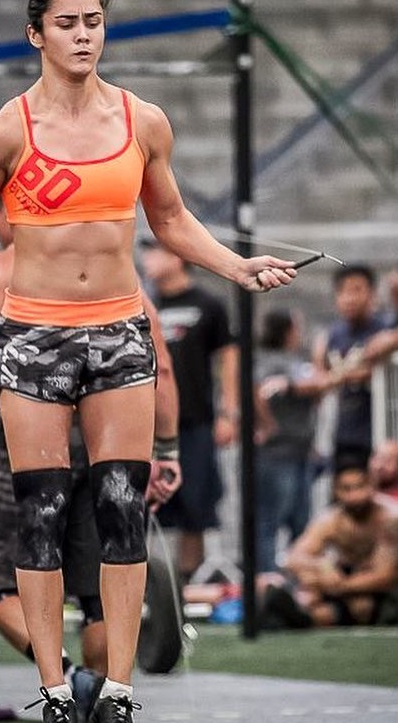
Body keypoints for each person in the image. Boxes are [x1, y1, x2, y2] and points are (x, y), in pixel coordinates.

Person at [0, 0, 296, 722]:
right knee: (39, 511)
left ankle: (116, 691)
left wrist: (237, 266)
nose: (84, 34)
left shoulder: (143, 122)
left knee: (119, 506)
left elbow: (170, 221)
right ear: (37, 34)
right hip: (35, 332)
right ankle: (51, 689)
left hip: (117, 330)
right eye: (69, 22)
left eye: (95, 21)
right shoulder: (5, 130)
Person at [0, 199, 183, 723]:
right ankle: (107, 696)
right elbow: (161, 364)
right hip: (106, 435)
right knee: (97, 585)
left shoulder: (4, 268)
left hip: (35, 433)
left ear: (14, 212)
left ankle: (65, 681)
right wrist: (167, 450)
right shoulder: (114, 269)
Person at [139, 238, 240, 586]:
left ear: (177, 257)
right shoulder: (142, 304)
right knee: (148, 505)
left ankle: (188, 583)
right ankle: (153, 583)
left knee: (196, 505)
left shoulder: (208, 305)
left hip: (196, 422)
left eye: (155, 252)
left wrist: (229, 413)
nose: (148, 260)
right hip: (147, 426)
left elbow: (228, 359)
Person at [257, 458, 398, 629]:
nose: (354, 496)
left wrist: (335, 586)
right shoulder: (331, 520)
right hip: (351, 586)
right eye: (346, 489)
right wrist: (323, 567)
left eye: (360, 486)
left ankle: (296, 617)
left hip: (395, 595)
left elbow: (384, 578)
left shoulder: (391, 518)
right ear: (336, 490)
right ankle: (292, 615)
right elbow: (293, 558)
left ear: (372, 484)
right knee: (312, 582)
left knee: (361, 603)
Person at [252, 307, 329, 574]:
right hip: (276, 454)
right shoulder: (268, 361)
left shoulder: (295, 360)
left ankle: (298, 577)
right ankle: (267, 578)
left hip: (301, 451)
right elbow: (257, 390)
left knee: (301, 522)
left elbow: (318, 389)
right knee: (269, 522)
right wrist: (267, 425)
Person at [313, 264, 389, 469]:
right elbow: (320, 376)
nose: (349, 298)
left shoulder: (385, 330)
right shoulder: (333, 334)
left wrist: (342, 376)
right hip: (340, 432)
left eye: (356, 290)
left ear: (372, 294)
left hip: (379, 432)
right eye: (343, 291)